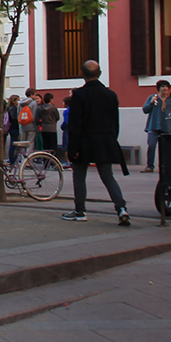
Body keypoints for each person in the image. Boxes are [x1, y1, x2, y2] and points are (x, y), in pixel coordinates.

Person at [61, 60, 130, 226]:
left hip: (84, 141)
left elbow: (75, 124)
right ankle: (121, 208)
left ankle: (80, 210)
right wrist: (112, 139)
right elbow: (115, 122)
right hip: (105, 140)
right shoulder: (111, 95)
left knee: (79, 176)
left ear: (82, 74)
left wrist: (72, 148)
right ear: (100, 73)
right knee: (108, 176)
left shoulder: (79, 95)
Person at [142, 80, 171, 170]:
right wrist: (151, 102)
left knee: (165, 148)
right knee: (151, 146)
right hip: (153, 125)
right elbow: (145, 110)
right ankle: (150, 166)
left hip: (167, 126)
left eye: (166, 87)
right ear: (159, 88)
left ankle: (164, 166)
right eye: (163, 86)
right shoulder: (153, 98)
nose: (165, 88)